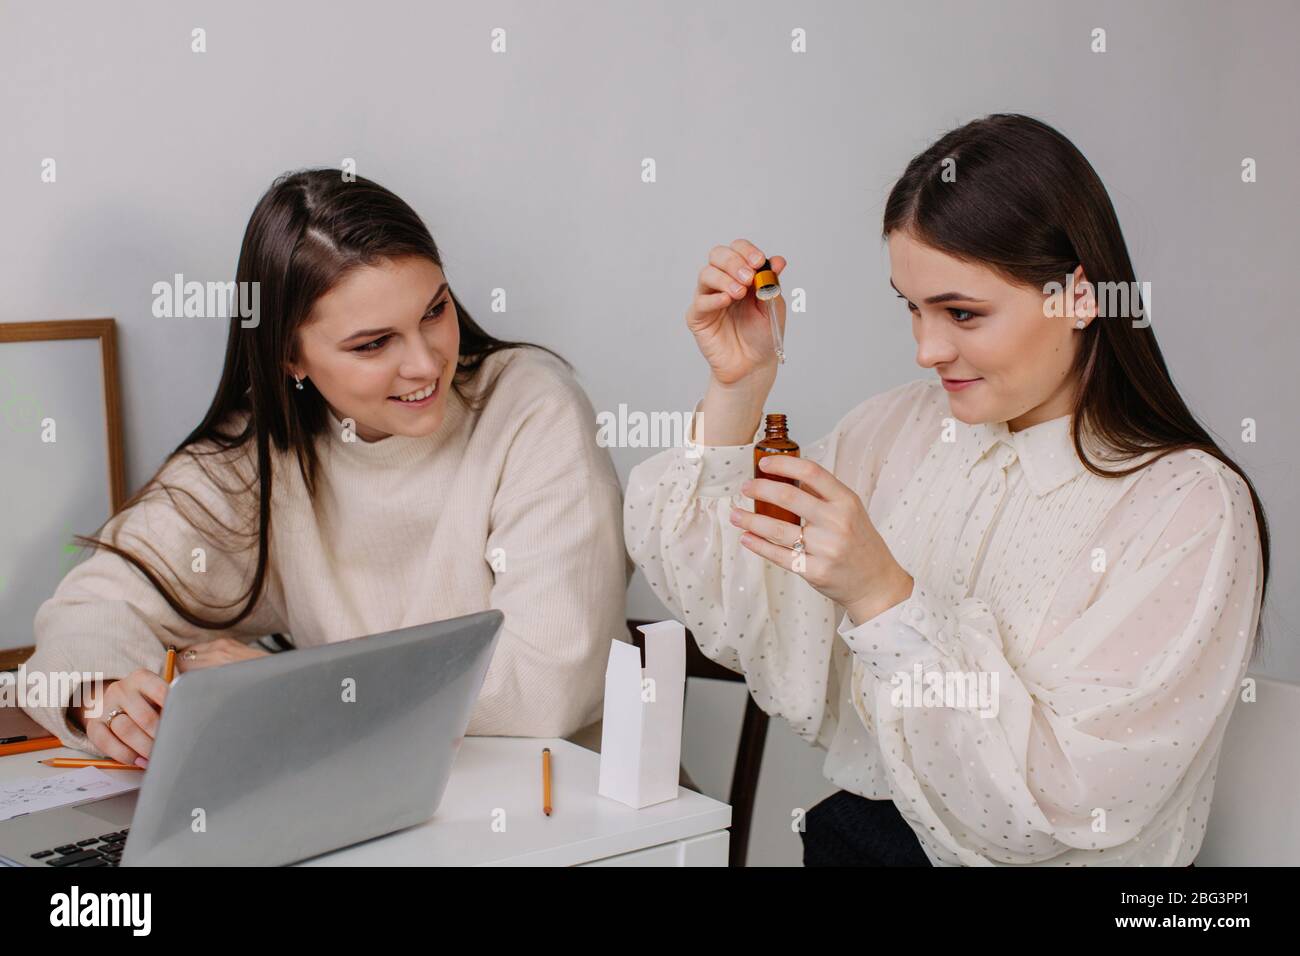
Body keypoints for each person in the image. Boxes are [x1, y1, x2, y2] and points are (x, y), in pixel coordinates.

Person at [624, 114, 1270, 866]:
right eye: (911, 307)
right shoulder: (900, 430)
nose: (927, 349)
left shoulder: (1186, 508)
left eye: (962, 312)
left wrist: (882, 597)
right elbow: (731, 596)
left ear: (1079, 299)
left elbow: (1064, 804)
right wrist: (739, 386)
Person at [22, 170, 630, 766]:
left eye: (434, 311)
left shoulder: (530, 405)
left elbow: (548, 686)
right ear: (291, 356)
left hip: (566, 818)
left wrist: (299, 690)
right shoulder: (262, 457)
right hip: (370, 810)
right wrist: (100, 697)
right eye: (373, 344)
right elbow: (92, 608)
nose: (424, 363)